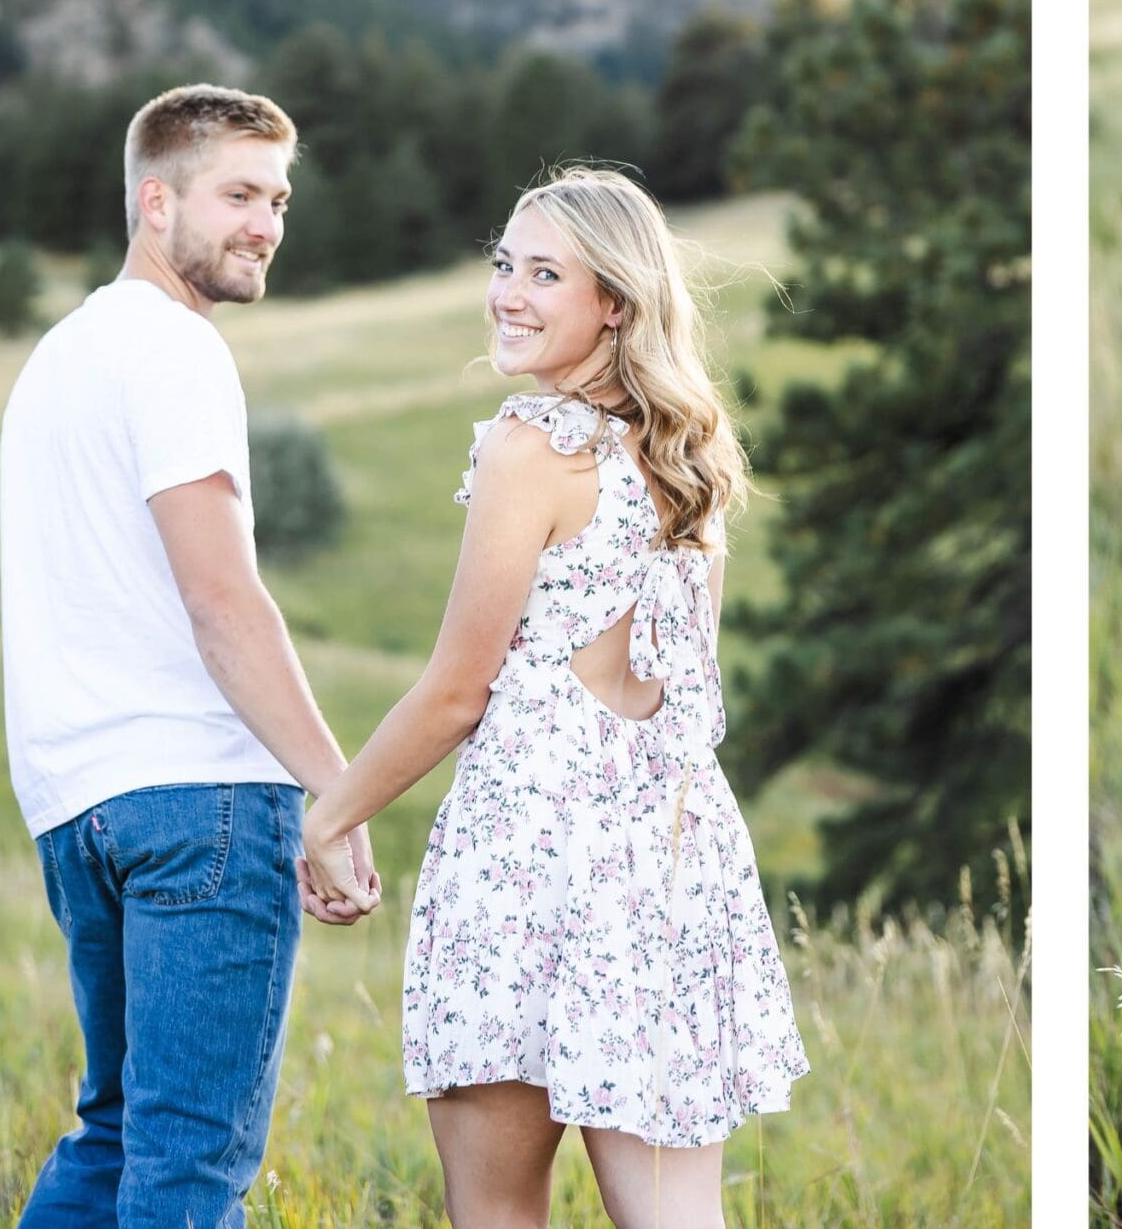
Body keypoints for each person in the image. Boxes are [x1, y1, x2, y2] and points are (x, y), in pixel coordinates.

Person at [300, 166, 807, 1228]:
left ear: (612, 302)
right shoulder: (686, 459)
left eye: (544, 273)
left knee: (496, 1213)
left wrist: (328, 813)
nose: (508, 293)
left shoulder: (528, 445)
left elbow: (454, 692)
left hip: (529, 862)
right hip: (672, 863)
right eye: (502, 264)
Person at [2, 83, 376, 1229]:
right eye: (239, 194)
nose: (266, 221)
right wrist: (337, 788)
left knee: (116, 1136)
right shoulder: (174, 350)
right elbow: (221, 597)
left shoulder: (61, 357)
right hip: (199, 804)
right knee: (187, 1167)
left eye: (278, 196)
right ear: (154, 199)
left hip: (80, 809)